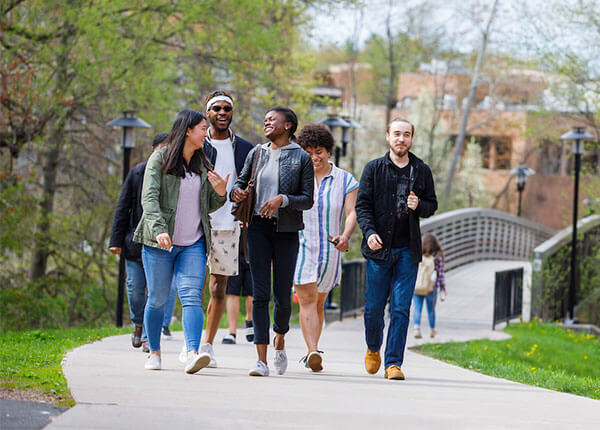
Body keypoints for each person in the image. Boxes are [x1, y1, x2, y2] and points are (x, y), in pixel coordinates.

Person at [133, 110, 229, 373]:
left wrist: (221, 193)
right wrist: (159, 229)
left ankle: (192, 352)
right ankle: (154, 352)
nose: (205, 132)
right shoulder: (160, 159)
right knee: (157, 299)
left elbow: (209, 204)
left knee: (191, 297)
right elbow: (149, 199)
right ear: (187, 130)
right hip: (159, 243)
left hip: (193, 244)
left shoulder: (203, 163)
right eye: (201, 127)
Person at [231, 106, 313, 377]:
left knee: (282, 296)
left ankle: (280, 338)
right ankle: (261, 360)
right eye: (264, 119)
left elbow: (308, 198)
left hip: (286, 231)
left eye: (272, 119)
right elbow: (239, 184)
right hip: (256, 228)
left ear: (288, 125)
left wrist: (283, 199)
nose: (266, 122)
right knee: (260, 293)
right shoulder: (257, 153)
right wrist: (237, 193)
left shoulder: (301, 157)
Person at [355, 117, 437, 381]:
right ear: (388, 136)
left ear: (412, 139)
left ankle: (393, 364)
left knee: (401, 309)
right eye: (397, 134)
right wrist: (369, 233)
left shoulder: (421, 170)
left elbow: (431, 205)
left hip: (407, 251)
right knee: (374, 309)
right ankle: (372, 346)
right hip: (379, 250)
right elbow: (362, 206)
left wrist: (419, 206)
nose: (401, 139)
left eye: (407, 135)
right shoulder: (373, 169)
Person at [185, 90, 253, 366]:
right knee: (191, 287)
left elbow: (250, 183)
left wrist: (242, 195)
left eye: (227, 109)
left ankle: (207, 346)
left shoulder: (246, 148)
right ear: (208, 112)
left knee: (217, 288)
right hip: (196, 223)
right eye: (217, 109)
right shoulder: (197, 145)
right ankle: (190, 345)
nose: (222, 113)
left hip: (228, 225)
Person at [293, 124, 358, 372]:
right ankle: (312, 351)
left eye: (318, 151)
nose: (314, 157)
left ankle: (313, 347)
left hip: (330, 249)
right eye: (308, 152)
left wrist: (346, 235)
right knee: (307, 299)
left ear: (328, 151)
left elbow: (352, 212)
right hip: (300, 245)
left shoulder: (345, 179)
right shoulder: (296, 177)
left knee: (319, 301)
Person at [109, 133, 173, 351]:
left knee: (156, 293)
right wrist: (115, 240)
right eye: (162, 149)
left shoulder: (176, 174)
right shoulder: (138, 172)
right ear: (154, 149)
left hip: (163, 246)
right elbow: (122, 207)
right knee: (135, 289)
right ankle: (137, 323)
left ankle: (147, 336)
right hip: (135, 244)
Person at [413, 233, 446, 339]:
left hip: (418, 286)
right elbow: (440, 274)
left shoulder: (418, 254)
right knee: (431, 309)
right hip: (431, 287)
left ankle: (417, 329)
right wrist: (442, 288)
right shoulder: (437, 256)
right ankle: (432, 329)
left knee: (417, 308)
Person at [222, 244, 254, 344]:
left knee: (252, 292)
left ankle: (250, 320)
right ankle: (232, 332)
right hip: (233, 248)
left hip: (253, 246)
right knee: (232, 291)